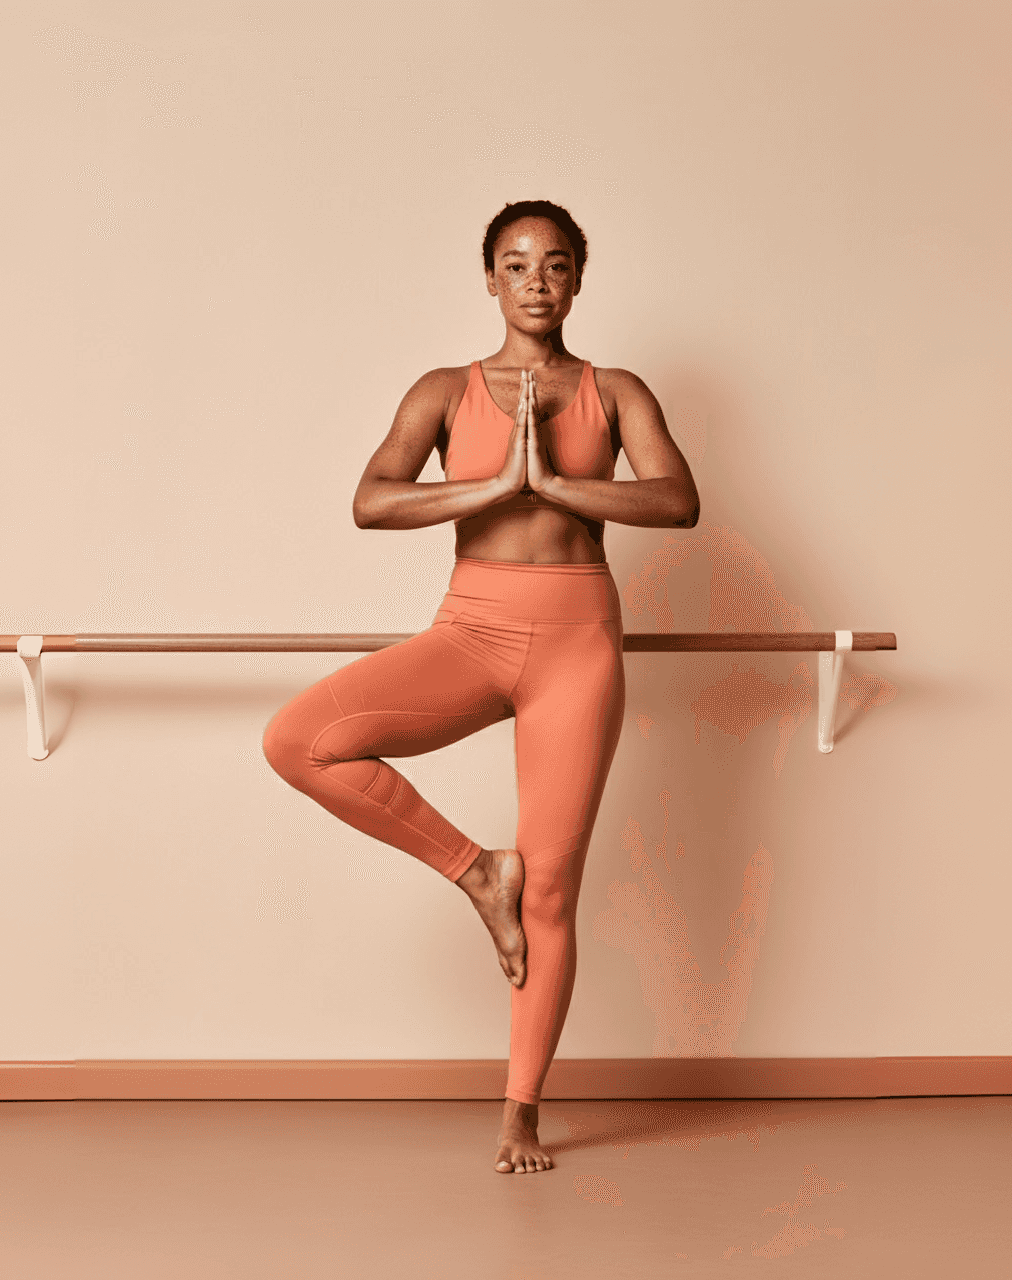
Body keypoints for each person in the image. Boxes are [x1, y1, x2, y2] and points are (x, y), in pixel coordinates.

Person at [261, 200, 701, 1173]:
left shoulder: (615, 390)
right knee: (298, 737)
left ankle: (522, 1112)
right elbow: (372, 499)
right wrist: (495, 485)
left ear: (578, 279)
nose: (536, 279)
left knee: (550, 890)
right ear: (489, 279)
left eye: (554, 263)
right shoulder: (441, 390)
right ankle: (473, 871)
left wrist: (554, 487)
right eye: (516, 263)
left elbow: (677, 499)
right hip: (471, 628)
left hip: (578, 642)